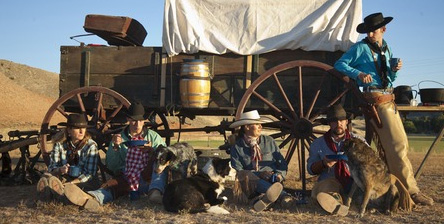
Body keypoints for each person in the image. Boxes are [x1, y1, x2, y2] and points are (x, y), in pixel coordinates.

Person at [334, 12, 433, 206]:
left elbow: (389, 79)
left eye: (374, 31)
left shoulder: (386, 49)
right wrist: (358, 73)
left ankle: (397, 189)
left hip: (388, 98)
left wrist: (394, 70)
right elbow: (340, 64)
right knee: (398, 146)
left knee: (396, 145)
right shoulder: (361, 48)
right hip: (376, 100)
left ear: (383, 30)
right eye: (369, 31)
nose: (371, 34)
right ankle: (412, 192)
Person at [63, 102, 167, 210]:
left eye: (140, 121)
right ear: (128, 119)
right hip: (129, 180)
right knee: (113, 186)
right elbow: (112, 166)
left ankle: (155, 192)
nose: (137, 124)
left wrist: (152, 151)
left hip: (148, 179)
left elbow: (166, 157)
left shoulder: (153, 137)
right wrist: (115, 148)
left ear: (144, 121)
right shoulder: (120, 137)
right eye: (134, 121)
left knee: (159, 165)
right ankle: (90, 197)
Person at [229, 110, 294, 212]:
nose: (261, 127)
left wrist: (279, 175)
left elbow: (282, 164)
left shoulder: (269, 141)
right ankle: (282, 196)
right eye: (257, 124)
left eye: (260, 124)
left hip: (272, 180)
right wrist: (259, 174)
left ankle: (263, 200)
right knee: (245, 175)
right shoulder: (237, 147)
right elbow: (238, 170)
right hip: (250, 184)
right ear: (247, 127)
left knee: (267, 189)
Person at [307, 104, 364, 216]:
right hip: (331, 180)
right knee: (327, 187)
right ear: (329, 123)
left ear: (346, 122)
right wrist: (323, 163)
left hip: (355, 180)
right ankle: (335, 202)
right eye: (334, 121)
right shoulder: (318, 143)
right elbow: (310, 169)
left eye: (341, 120)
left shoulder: (358, 141)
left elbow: (371, 162)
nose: (339, 124)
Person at [36, 113, 100, 201]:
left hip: (84, 181)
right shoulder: (59, 144)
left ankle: (55, 193)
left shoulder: (91, 146)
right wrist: (60, 170)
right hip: (66, 177)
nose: (82, 131)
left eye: (84, 128)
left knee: (71, 188)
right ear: (69, 130)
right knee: (47, 176)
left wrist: (71, 183)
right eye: (77, 128)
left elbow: (89, 174)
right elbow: (52, 167)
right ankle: (55, 192)